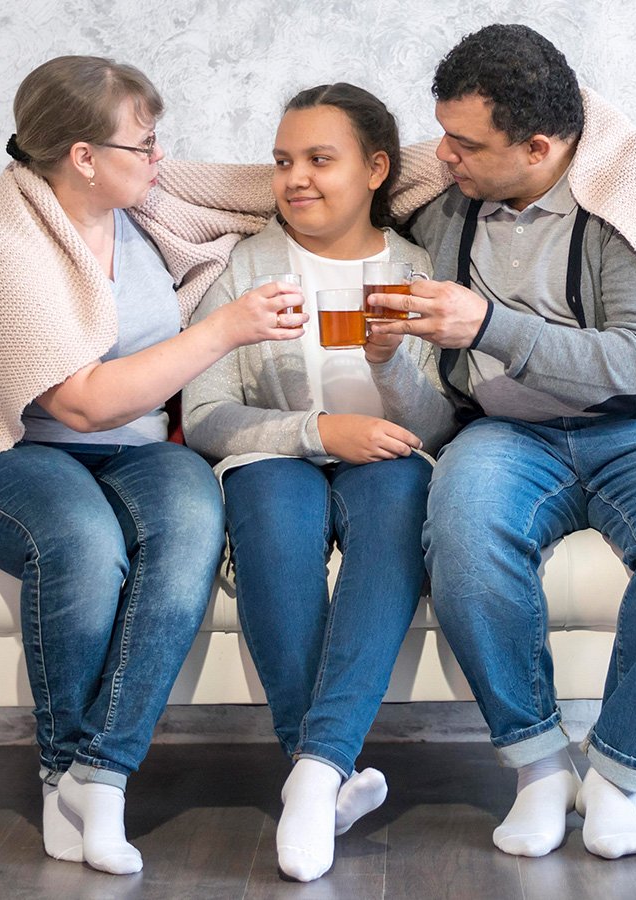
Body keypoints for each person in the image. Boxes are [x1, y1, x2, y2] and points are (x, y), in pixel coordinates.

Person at [0, 55, 307, 875]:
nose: (161, 156)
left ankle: (103, 774)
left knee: (194, 514)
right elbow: (83, 405)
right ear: (84, 156)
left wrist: (478, 149)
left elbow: (305, 176)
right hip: (14, 450)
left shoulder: (147, 197)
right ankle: (64, 777)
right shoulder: (6, 245)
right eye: (145, 142)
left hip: (137, 450)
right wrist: (224, 328)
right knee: (84, 543)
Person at [368, 25, 636, 859]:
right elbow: (316, 174)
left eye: (467, 144)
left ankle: (617, 775)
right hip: (507, 435)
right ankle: (538, 766)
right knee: (461, 536)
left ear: (539, 147)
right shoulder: (445, 204)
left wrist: (490, 324)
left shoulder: (622, 207)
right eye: (443, 133)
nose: (443, 155)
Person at [183, 83, 454, 882]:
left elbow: (439, 423)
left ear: (375, 169)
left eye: (318, 159)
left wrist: (389, 366)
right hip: (275, 457)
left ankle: (312, 774)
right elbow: (205, 414)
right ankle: (326, 773)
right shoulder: (246, 266)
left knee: (400, 509)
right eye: (282, 162)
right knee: (272, 516)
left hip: (389, 461)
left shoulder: (417, 269)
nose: (295, 178)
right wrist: (318, 431)